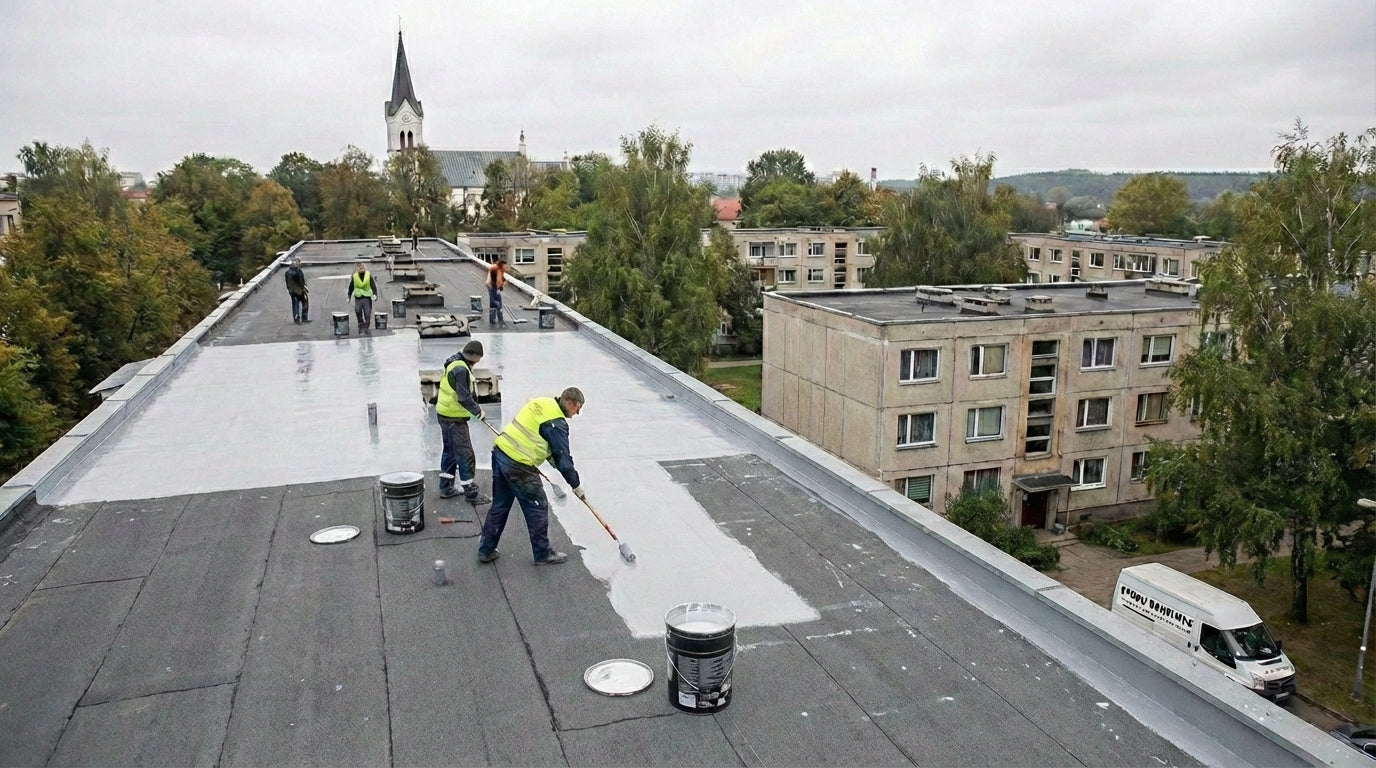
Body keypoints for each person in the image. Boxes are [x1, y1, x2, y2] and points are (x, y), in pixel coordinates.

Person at [477, 387, 586, 566]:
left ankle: (486, 549)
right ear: (571, 403)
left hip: (501, 453)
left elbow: (545, 444)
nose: (576, 414)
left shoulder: (542, 402)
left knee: (500, 505)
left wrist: (554, 461)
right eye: (577, 409)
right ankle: (542, 553)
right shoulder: (557, 423)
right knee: (537, 507)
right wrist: (576, 485)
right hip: (519, 465)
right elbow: (563, 459)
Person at [436, 340, 490, 504]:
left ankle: (446, 487)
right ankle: (471, 494)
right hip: (454, 418)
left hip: (444, 414)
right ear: (476, 357)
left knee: (450, 452)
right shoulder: (461, 369)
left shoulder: (454, 361)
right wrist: (478, 411)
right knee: (465, 454)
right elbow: (464, 397)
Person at [348, 260, 380, 334]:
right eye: (360, 267)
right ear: (357, 269)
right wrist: (349, 296)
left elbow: (373, 285)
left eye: (363, 267)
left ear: (365, 268)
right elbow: (351, 287)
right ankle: (360, 324)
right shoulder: (355, 276)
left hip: (366, 297)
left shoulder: (368, 275)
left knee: (367, 313)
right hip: (358, 297)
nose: (361, 268)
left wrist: (375, 294)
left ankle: (366, 327)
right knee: (357, 310)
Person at [284, 257, 310, 324]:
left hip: (292, 291)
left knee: (295, 304)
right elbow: (301, 281)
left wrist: (289, 289)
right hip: (300, 290)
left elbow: (287, 282)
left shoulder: (287, 272)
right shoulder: (298, 271)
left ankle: (296, 316)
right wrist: (305, 288)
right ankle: (304, 317)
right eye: (298, 262)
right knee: (305, 302)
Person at [486, 257, 507, 327]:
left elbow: (500, 278)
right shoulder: (497, 269)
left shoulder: (496, 268)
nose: (505, 268)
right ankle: (499, 319)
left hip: (491, 285)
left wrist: (503, 281)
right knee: (497, 303)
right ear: (502, 265)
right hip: (493, 286)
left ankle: (493, 319)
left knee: (494, 303)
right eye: (505, 266)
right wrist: (500, 287)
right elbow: (498, 281)